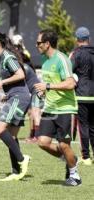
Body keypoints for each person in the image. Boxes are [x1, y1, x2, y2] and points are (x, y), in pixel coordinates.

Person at [34, 29, 81, 186]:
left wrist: (47, 86)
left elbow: (70, 83)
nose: (36, 45)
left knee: (63, 144)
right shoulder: (44, 60)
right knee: (42, 142)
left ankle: (75, 177)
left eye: (39, 43)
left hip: (66, 109)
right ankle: (70, 159)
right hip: (50, 108)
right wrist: (43, 93)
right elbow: (50, 86)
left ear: (47, 44)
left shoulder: (61, 59)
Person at [0, 32, 30, 181]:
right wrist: (9, 93)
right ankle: (16, 172)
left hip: (19, 97)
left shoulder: (8, 57)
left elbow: (20, 74)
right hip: (16, 96)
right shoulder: (2, 57)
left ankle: (22, 159)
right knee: (11, 136)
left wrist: (2, 83)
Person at [12, 35, 43, 143]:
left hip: (36, 89)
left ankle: (37, 136)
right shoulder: (24, 65)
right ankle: (33, 135)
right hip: (34, 89)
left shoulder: (23, 67)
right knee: (31, 113)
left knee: (35, 112)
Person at [70, 26, 94, 166]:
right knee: (93, 127)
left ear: (77, 39)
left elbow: (69, 72)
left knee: (83, 126)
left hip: (82, 95)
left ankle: (86, 157)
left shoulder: (76, 54)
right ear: (88, 39)